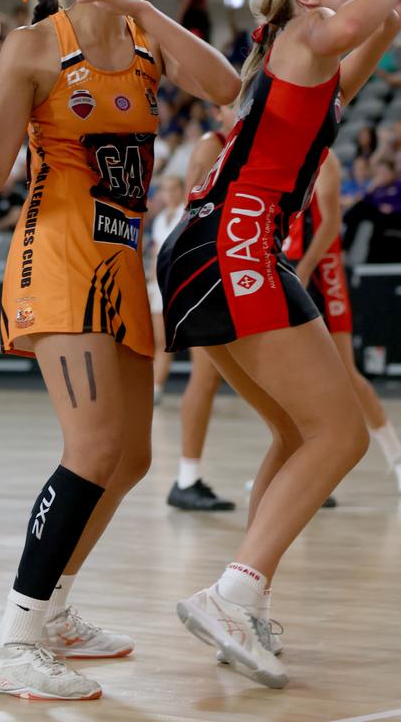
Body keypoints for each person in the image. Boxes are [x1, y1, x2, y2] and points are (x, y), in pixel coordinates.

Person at [0, 0, 240, 701]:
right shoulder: (30, 48)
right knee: (91, 449)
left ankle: (55, 611)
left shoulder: (145, 31)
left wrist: (138, 7)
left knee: (134, 457)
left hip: (121, 264)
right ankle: (10, 636)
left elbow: (226, 85)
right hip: (57, 254)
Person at [157, 0, 401, 689]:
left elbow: (373, 36)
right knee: (340, 438)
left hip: (223, 247)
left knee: (294, 430)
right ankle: (234, 592)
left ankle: (245, 593)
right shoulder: (303, 34)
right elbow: (353, 20)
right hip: (233, 245)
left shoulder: (315, 70)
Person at [284, 149, 401, 494]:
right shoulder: (277, 154)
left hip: (320, 271)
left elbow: (331, 223)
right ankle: (296, 467)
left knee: (346, 372)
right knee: (290, 377)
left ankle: (399, 456)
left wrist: (302, 271)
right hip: (287, 266)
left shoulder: (323, 158)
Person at [165, 105, 237, 512]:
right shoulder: (213, 146)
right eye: (232, 102)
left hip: (231, 266)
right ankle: (186, 478)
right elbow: (193, 214)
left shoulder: (241, 142)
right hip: (206, 270)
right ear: (216, 111)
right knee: (205, 376)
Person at [148, 175, 186, 405]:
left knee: (164, 339)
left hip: (176, 283)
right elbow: (155, 254)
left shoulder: (185, 213)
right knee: (157, 339)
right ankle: (154, 387)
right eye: (165, 189)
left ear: (181, 190)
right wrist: (152, 280)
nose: (169, 193)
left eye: (173, 189)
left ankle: (157, 388)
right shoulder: (161, 218)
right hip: (158, 285)